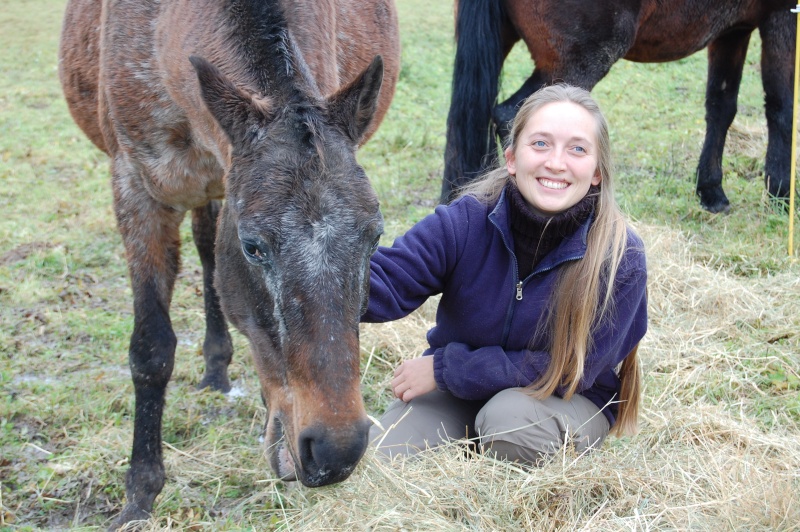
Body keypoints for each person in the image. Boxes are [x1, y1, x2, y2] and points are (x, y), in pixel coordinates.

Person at [362, 84, 647, 465]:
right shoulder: (466, 222)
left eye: (577, 149)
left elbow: (568, 371)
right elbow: (388, 280)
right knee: (385, 456)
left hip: (563, 399)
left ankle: (501, 454)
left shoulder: (621, 257)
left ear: (596, 171)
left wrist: (449, 369)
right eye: (541, 144)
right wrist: (309, 274)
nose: (557, 163)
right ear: (512, 158)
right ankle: (468, 442)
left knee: (506, 421)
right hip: (461, 394)